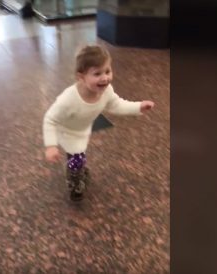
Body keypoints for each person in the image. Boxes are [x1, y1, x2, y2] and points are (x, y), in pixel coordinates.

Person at [43, 45, 154, 201]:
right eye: (97, 74)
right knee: (77, 157)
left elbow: (116, 105)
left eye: (107, 71)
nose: (105, 78)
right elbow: (50, 119)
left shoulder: (106, 90)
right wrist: (51, 145)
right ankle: (75, 184)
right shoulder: (67, 99)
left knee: (79, 154)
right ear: (80, 77)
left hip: (82, 129)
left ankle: (78, 168)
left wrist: (138, 106)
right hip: (67, 131)